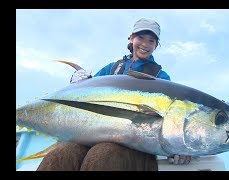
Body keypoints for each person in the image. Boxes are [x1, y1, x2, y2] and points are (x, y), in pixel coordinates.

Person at [37, 18, 192, 171]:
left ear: (156, 45)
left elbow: (170, 119)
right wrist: (79, 81)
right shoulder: (112, 68)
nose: (145, 44)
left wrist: (179, 147)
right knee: (59, 155)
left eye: (151, 40)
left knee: (104, 154)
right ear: (131, 38)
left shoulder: (161, 77)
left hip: (135, 147)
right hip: (93, 135)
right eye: (141, 37)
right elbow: (86, 92)